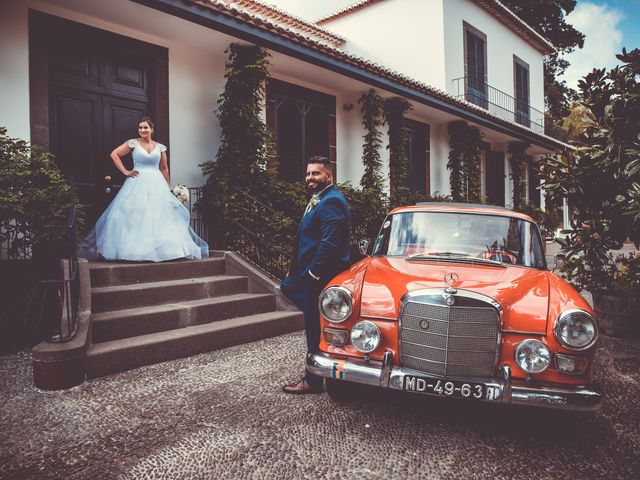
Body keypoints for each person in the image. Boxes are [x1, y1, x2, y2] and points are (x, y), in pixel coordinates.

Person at [78, 116, 209, 262]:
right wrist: (125, 171)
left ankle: (165, 250)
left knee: (159, 215)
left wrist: (168, 188)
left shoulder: (160, 147)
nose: (142, 130)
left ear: (151, 129)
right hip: (137, 182)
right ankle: (133, 250)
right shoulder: (133, 143)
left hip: (157, 182)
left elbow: (164, 168)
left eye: (145, 127)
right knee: (136, 214)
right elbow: (114, 154)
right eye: (140, 127)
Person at [281, 156, 351, 394]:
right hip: (307, 273)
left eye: (316, 174)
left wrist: (312, 274)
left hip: (319, 278)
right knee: (312, 320)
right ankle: (321, 374)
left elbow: (330, 244)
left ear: (328, 175)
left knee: (315, 327)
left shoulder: (332, 201)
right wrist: (294, 267)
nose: (311, 178)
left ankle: (313, 380)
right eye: (308, 173)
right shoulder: (320, 198)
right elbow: (306, 237)